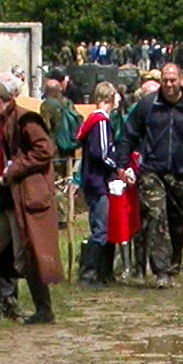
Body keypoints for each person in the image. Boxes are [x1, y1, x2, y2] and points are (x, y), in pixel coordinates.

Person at [0, 81, 62, 323]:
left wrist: (13, 169)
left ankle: (44, 310)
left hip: (25, 197)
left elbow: (44, 150)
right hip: (4, 199)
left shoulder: (26, 120)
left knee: (29, 253)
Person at [122, 61, 183, 286]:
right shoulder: (147, 106)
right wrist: (122, 164)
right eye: (165, 80)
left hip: (181, 175)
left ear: (181, 80)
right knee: (156, 217)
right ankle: (161, 271)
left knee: (178, 222)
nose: (169, 85)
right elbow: (128, 135)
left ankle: (173, 265)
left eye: (173, 80)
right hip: (152, 172)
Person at [75, 80, 124, 287]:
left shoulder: (92, 121)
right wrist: (117, 167)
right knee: (101, 229)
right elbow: (102, 152)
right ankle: (89, 274)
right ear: (110, 99)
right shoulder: (101, 122)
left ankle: (99, 273)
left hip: (93, 181)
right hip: (98, 182)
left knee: (100, 225)